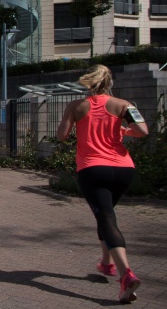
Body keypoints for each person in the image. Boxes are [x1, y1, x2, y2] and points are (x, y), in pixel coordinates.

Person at [57, 64, 148, 303]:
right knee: (105, 214)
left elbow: (61, 136)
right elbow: (142, 130)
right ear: (109, 82)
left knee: (106, 217)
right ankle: (106, 262)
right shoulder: (124, 105)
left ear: (88, 81)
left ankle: (126, 275)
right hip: (124, 169)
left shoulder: (76, 106)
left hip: (93, 168)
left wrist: (74, 121)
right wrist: (125, 131)